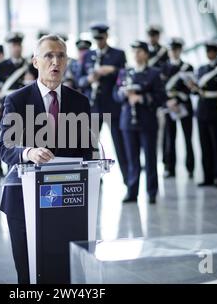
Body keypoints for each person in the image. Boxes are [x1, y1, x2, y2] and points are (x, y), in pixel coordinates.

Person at [0, 35, 93, 283]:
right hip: (23, 198)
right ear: (35, 62)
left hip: (66, 198)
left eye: (61, 56)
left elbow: (87, 150)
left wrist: (95, 160)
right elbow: (4, 146)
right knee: (29, 272)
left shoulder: (79, 102)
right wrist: (28, 152)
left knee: (62, 270)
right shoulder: (17, 100)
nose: (55, 62)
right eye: (49, 56)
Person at [114, 41, 166, 204]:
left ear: (145, 54)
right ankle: (132, 191)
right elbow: (115, 95)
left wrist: (142, 98)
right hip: (128, 121)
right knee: (132, 159)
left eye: (139, 51)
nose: (136, 54)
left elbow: (160, 98)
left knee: (150, 158)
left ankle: (151, 192)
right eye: (134, 51)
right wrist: (123, 94)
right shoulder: (124, 72)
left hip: (147, 121)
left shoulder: (154, 73)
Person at [79, 24, 128, 186]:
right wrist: (89, 79)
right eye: (96, 39)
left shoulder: (118, 54)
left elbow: (124, 77)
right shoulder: (88, 55)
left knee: (120, 144)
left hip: (112, 107)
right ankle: (94, 179)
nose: (99, 42)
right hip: (93, 107)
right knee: (91, 147)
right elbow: (80, 80)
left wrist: (112, 70)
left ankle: (128, 180)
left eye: (101, 38)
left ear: (106, 37)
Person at [0, 32, 27, 188]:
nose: (16, 48)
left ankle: (13, 178)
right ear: (9, 47)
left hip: (23, 115)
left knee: (18, 148)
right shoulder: (1, 67)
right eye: (13, 45)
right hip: (2, 112)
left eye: (18, 45)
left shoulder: (29, 66)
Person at [189, 41, 217, 187]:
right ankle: (208, 176)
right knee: (204, 144)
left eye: (212, 51)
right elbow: (197, 89)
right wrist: (193, 87)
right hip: (202, 109)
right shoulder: (201, 69)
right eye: (207, 51)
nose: (209, 54)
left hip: (216, 108)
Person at [162, 38, 194, 179]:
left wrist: (177, 99)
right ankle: (170, 168)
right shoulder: (162, 68)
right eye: (171, 50)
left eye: (176, 49)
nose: (173, 52)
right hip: (169, 107)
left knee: (188, 138)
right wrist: (169, 102)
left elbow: (190, 88)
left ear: (180, 50)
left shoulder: (188, 67)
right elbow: (160, 89)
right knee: (170, 138)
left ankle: (190, 167)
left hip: (184, 106)